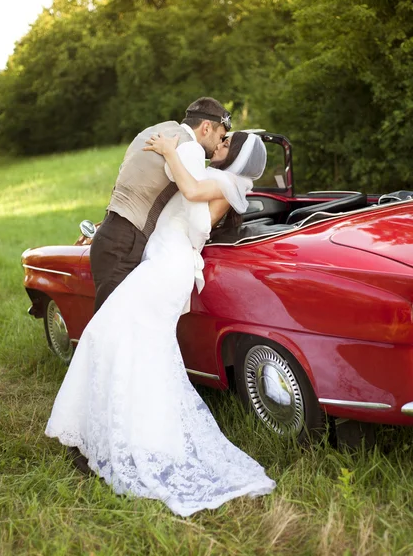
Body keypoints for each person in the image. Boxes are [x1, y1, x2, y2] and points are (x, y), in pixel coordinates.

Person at [45, 130, 275, 517]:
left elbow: (187, 190)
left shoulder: (220, 182)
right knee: (135, 345)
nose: (219, 144)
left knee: (109, 333)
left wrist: (170, 149)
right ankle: (127, 433)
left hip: (170, 268)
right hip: (163, 265)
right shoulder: (220, 179)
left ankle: (124, 438)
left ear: (232, 156)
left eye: (225, 142)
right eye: (221, 138)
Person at [90, 96, 230, 313]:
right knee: (114, 324)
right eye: (220, 136)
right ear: (205, 128)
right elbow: (194, 202)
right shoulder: (189, 149)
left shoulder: (156, 131)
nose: (219, 144)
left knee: (112, 323)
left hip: (110, 235)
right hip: (128, 242)